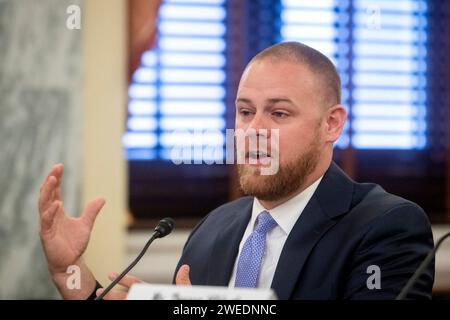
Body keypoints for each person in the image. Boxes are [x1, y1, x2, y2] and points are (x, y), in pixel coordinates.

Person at [38, 42, 434, 300]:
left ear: (331, 124)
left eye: (278, 113)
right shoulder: (214, 228)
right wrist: (69, 269)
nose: (253, 131)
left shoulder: (386, 226)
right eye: (245, 112)